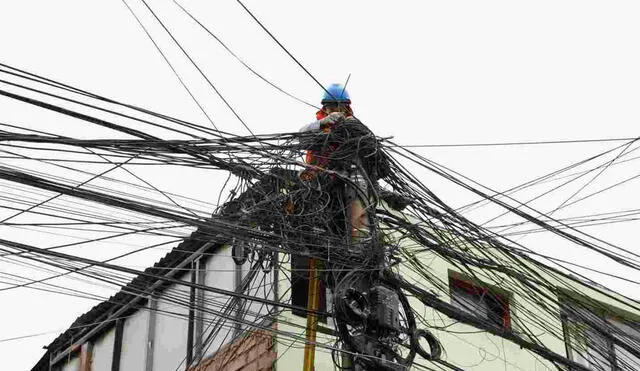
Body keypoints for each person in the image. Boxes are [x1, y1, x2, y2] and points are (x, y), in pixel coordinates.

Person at [299, 83, 388, 239]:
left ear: (346, 108)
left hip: (347, 182)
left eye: (338, 107)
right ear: (324, 108)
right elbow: (301, 137)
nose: (334, 111)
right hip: (318, 180)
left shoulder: (355, 127)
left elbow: (374, 159)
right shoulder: (318, 127)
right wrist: (322, 123)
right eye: (330, 108)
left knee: (352, 222)